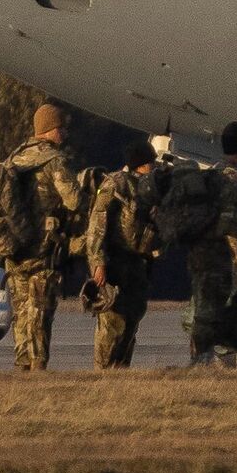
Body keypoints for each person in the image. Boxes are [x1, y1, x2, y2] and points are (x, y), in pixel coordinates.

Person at [0, 103, 84, 371]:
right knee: (40, 310)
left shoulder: (15, 158)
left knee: (22, 311)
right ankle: (37, 367)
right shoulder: (53, 160)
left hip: (14, 245)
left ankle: (22, 363)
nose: (64, 134)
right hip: (43, 248)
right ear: (50, 130)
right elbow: (74, 200)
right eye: (61, 128)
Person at [86, 141, 162, 369]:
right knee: (112, 323)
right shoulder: (115, 185)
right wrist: (98, 264)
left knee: (132, 319)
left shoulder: (150, 186)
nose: (154, 165)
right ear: (141, 164)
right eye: (151, 162)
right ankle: (104, 371)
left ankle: (120, 370)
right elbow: (96, 228)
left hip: (137, 265)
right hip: (116, 264)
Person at [181, 122, 237, 362]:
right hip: (222, 256)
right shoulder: (234, 179)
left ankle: (198, 361)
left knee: (202, 309)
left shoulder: (210, 173)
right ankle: (216, 363)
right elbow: (232, 225)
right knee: (223, 311)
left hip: (202, 252)